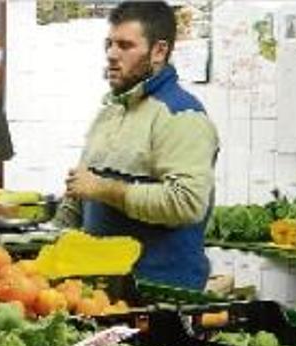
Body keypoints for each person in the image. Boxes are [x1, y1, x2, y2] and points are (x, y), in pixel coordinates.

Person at [56, 1, 218, 290]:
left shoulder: (181, 114)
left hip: (158, 292)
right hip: (105, 287)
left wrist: (104, 189)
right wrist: (52, 236)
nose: (111, 55)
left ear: (159, 51)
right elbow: (82, 189)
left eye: (125, 45)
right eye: (109, 44)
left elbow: (187, 203)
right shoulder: (110, 111)